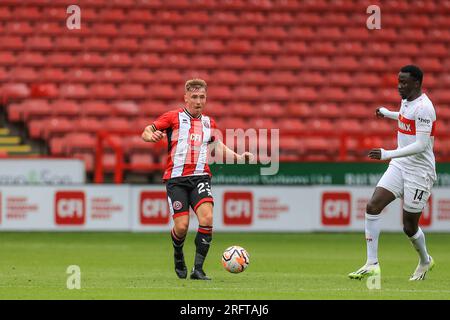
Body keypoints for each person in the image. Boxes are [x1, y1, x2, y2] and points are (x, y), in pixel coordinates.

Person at [142, 78, 253, 280]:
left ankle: (198, 269)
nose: (198, 101)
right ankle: (178, 254)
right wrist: (151, 136)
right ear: (186, 98)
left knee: (207, 218)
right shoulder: (173, 117)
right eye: (194, 97)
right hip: (176, 179)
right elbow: (147, 131)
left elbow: (216, 147)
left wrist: (238, 157)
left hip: (201, 176)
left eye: (202, 97)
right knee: (182, 226)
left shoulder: (209, 122)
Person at [348, 65, 436, 281]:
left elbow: (421, 145)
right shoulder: (407, 100)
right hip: (400, 165)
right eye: (398, 82)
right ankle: (372, 264)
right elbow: (406, 118)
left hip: (419, 171)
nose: (399, 86)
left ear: (417, 83)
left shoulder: (425, 108)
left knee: (409, 226)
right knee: (373, 206)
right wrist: (388, 114)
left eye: (404, 82)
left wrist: (388, 153)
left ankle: (425, 260)